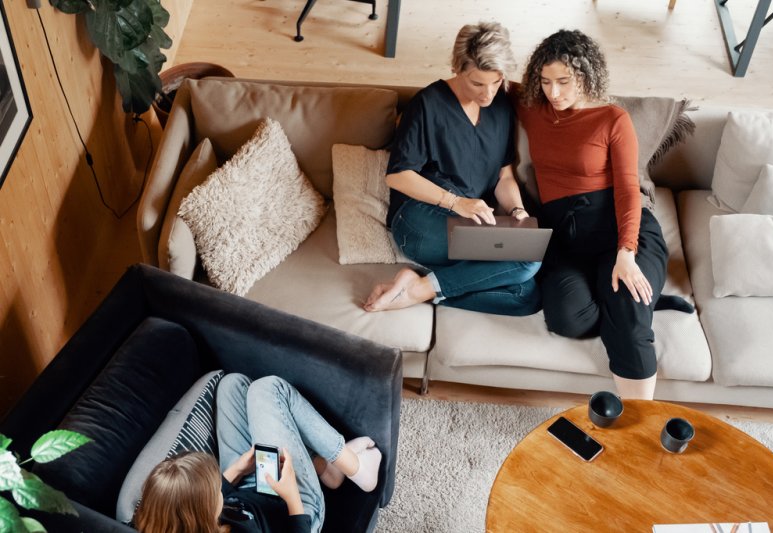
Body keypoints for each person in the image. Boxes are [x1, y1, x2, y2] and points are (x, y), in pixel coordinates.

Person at [515, 29, 672, 400]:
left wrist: (626, 252)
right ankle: (622, 300)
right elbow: (484, 75)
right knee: (567, 319)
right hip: (567, 243)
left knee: (628, 305)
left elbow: (627, 190)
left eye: (564, 82)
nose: (553, 92)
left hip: (620, 232)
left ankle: (639, 425)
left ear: (586, 76)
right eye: (545, 81)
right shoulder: (532, 109)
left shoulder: (612, 119)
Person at [363, 22, 542, 316]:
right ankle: (421, 289)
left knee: (525, 296)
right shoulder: (428, 104)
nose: (488, 94)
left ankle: (419, 287)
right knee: (526, 261)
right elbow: (397, 175)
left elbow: (504, 175)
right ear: (457, 67)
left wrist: (517, 212)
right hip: (419, 219)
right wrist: (456, 202)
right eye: (477, 83)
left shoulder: (501, 106)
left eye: (496, 82)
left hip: (469, 224)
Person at [135, 374, 382, 533]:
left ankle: (324, 468)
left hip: (249, 491)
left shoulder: (187, 522)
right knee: (268, 389)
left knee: (232, 385)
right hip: (295, 513)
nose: (218, 484)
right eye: (214, 489)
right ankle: (357, 468)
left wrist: (237, 470)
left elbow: (216, 497)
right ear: (202, 513)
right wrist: (292, 497)